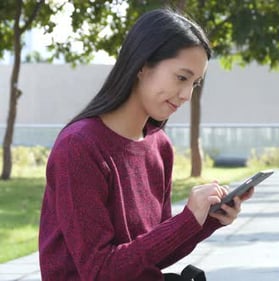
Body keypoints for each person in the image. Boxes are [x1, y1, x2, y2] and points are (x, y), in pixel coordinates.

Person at [39, 8, 253, 280]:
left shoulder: (159, 147)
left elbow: (154, 254)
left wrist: (207, 220)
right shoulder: (79, 147)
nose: (187, 94)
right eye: (181, 78)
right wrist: (187, 219)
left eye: (195, 83)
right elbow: (99, 271)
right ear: (142, 65)